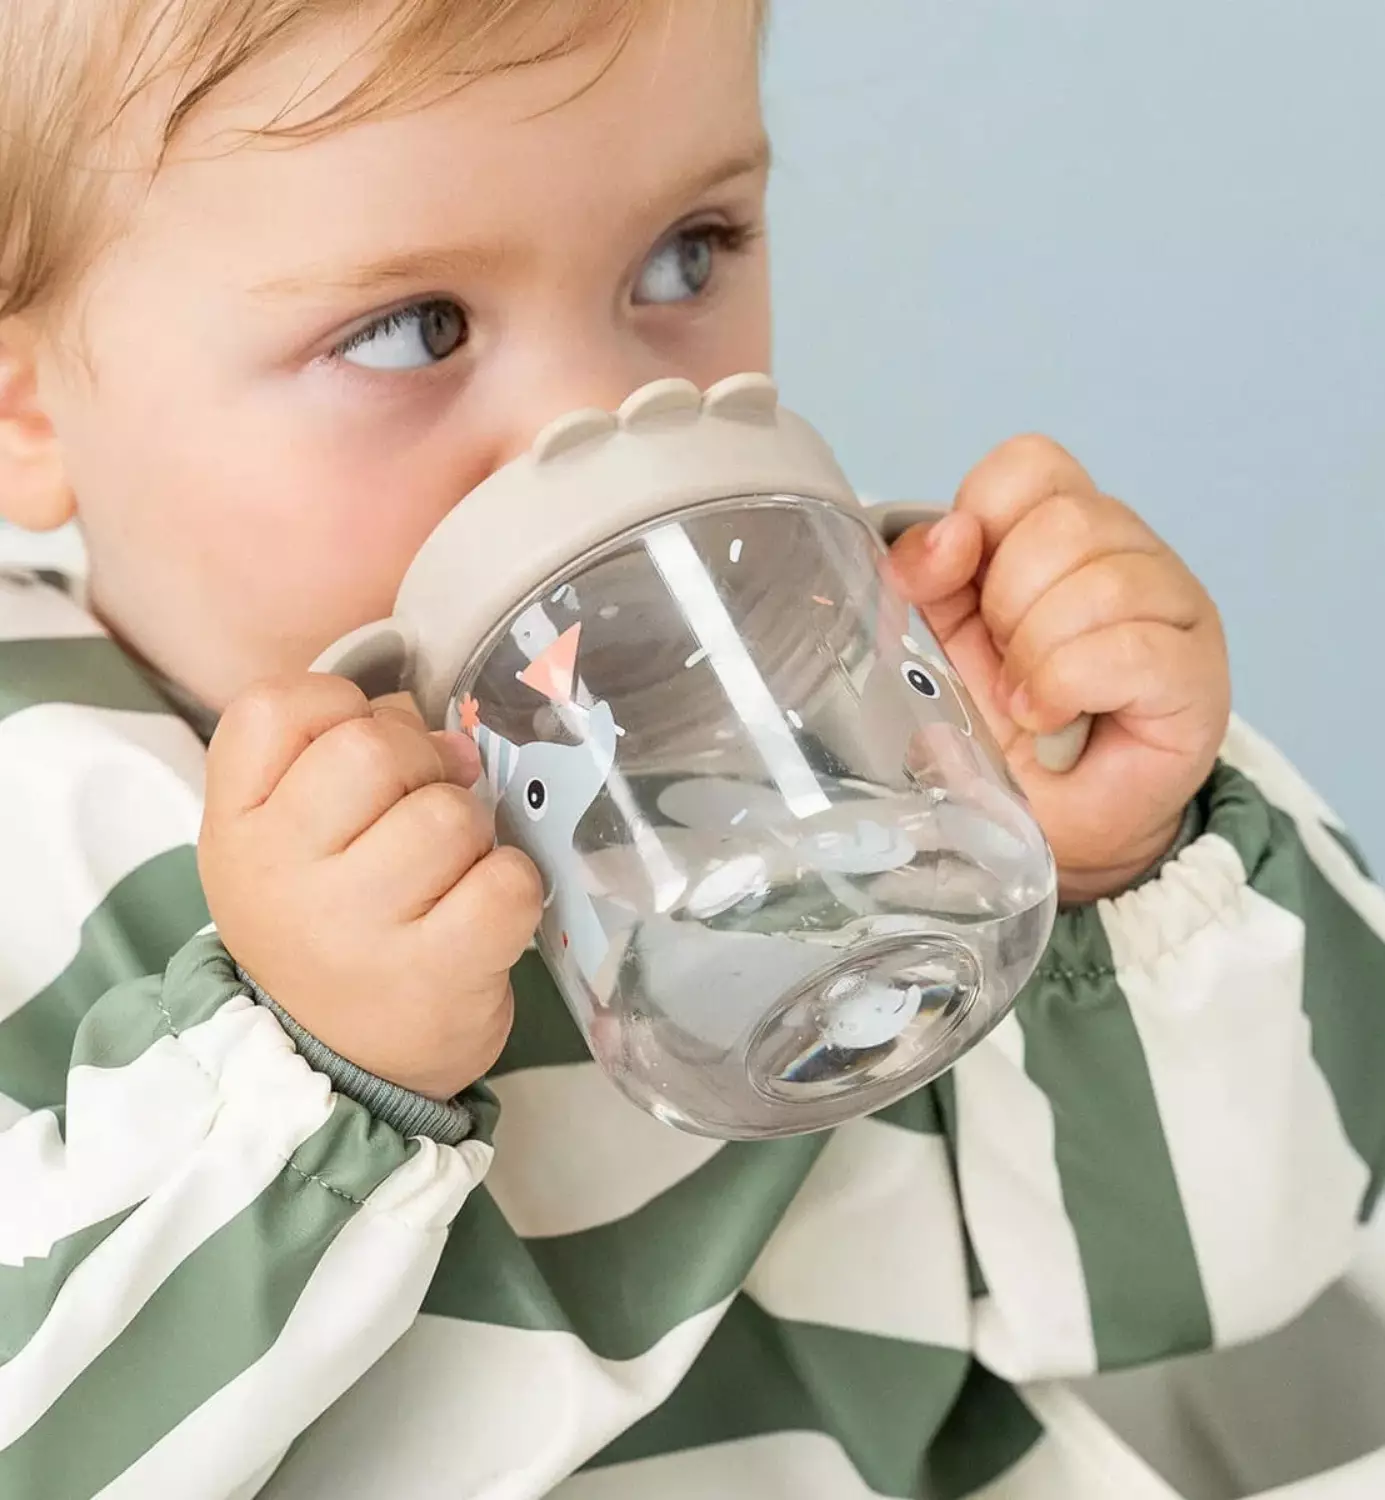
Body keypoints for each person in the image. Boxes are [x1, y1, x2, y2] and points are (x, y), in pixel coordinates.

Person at [1, 2, 1381, 1496]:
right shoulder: (43, 819)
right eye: (414, 331)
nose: (604, 417)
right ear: (29, 409)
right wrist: (312, 1077)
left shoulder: (818, 722)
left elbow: (1220, 1290)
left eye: (685, 256)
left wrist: (1112, 863)